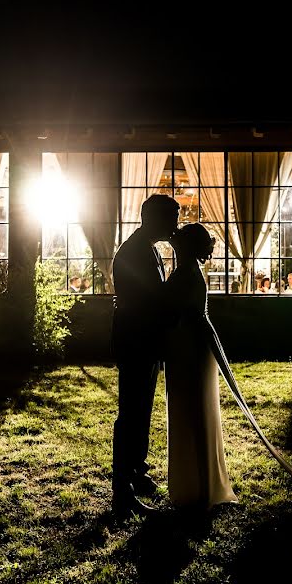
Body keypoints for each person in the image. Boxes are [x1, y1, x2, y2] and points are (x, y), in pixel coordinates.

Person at [110, 193, 180, 519]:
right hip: (135, 340)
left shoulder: (148, 247)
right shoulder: (134, 252)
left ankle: (137, 471)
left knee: (143, 410)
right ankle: (122, 490)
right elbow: (148, 299)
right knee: (131, 413)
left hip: (145, 341)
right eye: (172, 219)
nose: (175, 226)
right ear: (154, 219)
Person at [164, 223, 238, 512]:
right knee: (192, 411)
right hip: (188, 346)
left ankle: (200, 488)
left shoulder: (185, 274)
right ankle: (197, 484)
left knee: (192, 412)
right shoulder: (189, 272)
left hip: (188, 348)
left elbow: (182, 313)